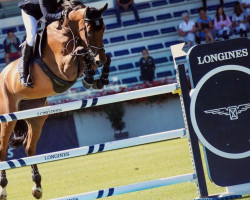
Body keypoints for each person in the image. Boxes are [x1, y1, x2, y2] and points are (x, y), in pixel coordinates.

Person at [18, 0, 65, 87]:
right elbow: (47, 16)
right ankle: (23, 71)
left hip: (43, 12)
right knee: (31, 36)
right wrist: (62, 13)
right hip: (30, 13)